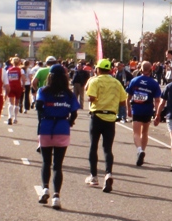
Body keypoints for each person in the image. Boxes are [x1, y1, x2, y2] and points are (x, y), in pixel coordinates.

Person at [35, 64, 80, 209]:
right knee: (58, 165)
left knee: (46, 162)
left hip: (46, 127)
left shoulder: (43, 90)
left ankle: (45, 188)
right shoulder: (69, 94)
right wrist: (70, 121)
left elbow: (38, 105)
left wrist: (45, 115)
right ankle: (56, 196)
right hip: (62, 128)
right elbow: (74, 112)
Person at [84, 59, 127, 192]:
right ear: (109, 70)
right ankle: (108, 173)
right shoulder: (116, 82)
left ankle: (94, 176)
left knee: (93, 146)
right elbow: (122, 101)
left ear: (98, 69)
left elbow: (90, 97)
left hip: (97, 115)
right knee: (107, 148)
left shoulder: (95, 81)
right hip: (110, 118)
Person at [126, 60, 162, 166]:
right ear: (151, 70)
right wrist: (157, 114)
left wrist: (128, 109)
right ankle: (142, 150)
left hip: (137, 109)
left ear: (141, 69)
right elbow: (157, 100)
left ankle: (139, 150)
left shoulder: (135, 80)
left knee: (136, 132)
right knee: (145, 132)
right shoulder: (154, 83)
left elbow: (128, 97)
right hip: (147, 110)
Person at [5, 57, 25, 125]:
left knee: (10, 102)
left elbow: (6, 79)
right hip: (18, 87)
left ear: (12, 62)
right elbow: (23, 79)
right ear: (19, 62)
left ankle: (10, 116)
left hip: (11, 87)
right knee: (17, 102)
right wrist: (23, 86)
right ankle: (15, 118)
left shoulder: (8, 70)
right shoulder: (20, 70)